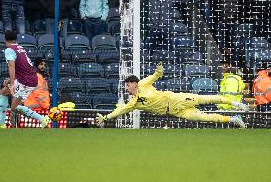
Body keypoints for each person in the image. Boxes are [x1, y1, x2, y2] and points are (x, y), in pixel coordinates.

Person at [96, 63, 249, 128]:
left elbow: (155, 75)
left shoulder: (143, 83)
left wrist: (159, 71)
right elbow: (120, 111)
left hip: (177, 99)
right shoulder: (134, 102)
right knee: (205, 117)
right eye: (126, 86)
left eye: (128, 85)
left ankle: (237, 105)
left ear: (134, 83)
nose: (126, 87)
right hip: (176, 111)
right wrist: (106, 118)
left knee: (205, 98)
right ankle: (234, 119)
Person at [0, 30, 51, 129]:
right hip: (25, 78)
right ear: (15, 39)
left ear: (5, 40)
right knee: (3, 92)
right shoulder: (19, 47)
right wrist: (11, 79)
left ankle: (43, 119)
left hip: (27, 81)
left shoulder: (9, 50)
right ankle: (1, 123)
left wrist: (12, 83)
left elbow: (12, 66)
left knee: (14, 107)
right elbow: (22, 66)